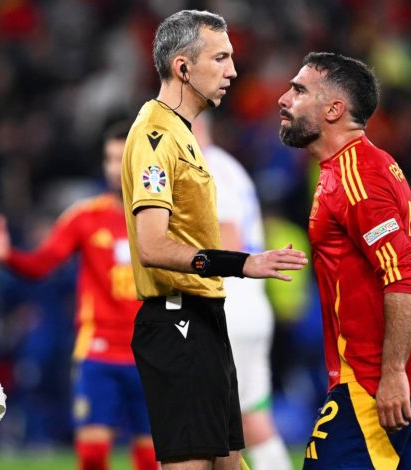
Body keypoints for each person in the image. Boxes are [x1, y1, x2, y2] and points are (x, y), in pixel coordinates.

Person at [121, 10, 308, 470]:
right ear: (183, 67)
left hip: (206, 316)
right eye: (220, 58)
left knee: (228, 461)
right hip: (177, 320)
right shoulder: (155, 137)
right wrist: (242, 263)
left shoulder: (183, 136)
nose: (233, 71)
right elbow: (152, 245)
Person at [277, 51, 411, 468]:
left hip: (372, 381)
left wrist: (393, 371)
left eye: (299, 91)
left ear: (334, 109)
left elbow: (403, 274)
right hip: (392, 375)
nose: (284, 99)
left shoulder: (356, 176)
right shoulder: (369, 166)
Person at [0, 122, 157, 470]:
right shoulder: (85, 218)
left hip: (149, 351)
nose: (114, 168)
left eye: (123, 159)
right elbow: (42, 263)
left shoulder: (160, 220)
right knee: (92, 456)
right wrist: (8, 255)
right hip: (98, 351)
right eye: (109, 159)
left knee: (150, 459)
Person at [193, 115, 292, 470]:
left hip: (227, 306)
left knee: (204, 423)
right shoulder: (229, 167)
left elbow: (229, 239)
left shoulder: (205, 169)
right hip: (249, 306)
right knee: (251, 418)